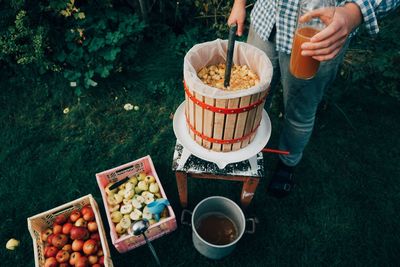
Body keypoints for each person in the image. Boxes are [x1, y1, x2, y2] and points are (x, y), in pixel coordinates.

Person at [228, 0, 400, 197]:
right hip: (266, 21)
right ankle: (247, 149)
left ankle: (287, 163)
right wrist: (239, 4)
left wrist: (353, 14)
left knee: (299, 110)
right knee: (252, 101)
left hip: (320, 35)